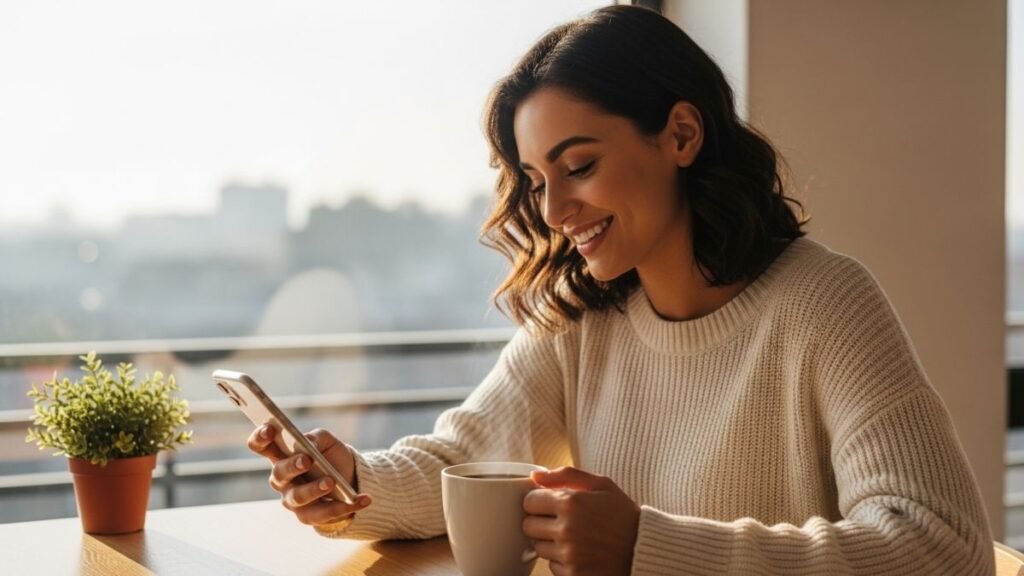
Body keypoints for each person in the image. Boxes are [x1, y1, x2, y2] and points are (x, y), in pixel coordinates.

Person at [247, 5, 994, 575]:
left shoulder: (825, 303)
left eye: (578, 167)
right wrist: (351, 480)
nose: (552, 211)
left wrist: (646, 545)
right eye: (536, 181)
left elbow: (942, 545)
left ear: (681, 136)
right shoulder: (581, 320)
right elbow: (464, 459)